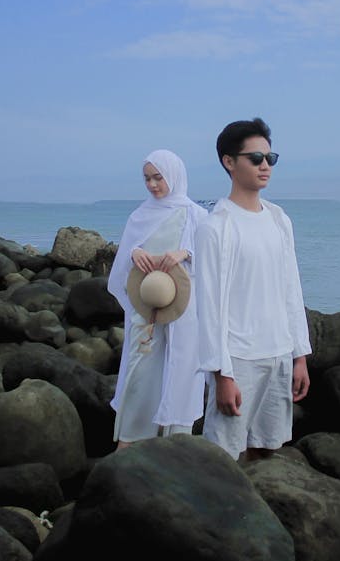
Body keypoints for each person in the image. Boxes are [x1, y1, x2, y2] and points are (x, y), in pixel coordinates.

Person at [195, 117, 311, 461]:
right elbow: (209, 307)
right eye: (256, 159)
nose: (265, 166)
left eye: (270, 158)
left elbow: (291, 289)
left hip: (279, 353)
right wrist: (221, 375)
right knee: (225, 455)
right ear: (229, 162)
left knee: (268, 447)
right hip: (239, 359)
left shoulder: (278, 219)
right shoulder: (217, 227)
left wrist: (299, 355)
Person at [107, 149, 208, 448]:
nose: (152, 185)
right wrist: (133, 251)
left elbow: (215, 260)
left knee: (182, 367)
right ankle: (131, 437)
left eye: (158, 178)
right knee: (142, 368)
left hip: (183, 307)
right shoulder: (139, 215)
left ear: (174, 177)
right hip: (146, 305)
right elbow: (124, 262)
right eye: (147, 179)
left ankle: (176, 441)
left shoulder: (196, 215)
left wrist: (186, 252)